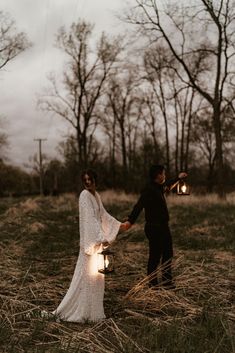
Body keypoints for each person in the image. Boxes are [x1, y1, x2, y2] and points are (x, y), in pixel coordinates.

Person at [52, 169, 127, 322]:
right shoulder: (84, 196)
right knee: (87, 278)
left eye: (90, 179)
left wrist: (119, 225)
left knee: (97, 278)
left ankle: (95, 313)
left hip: (98, 243)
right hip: (91, 243)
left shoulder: (96, 195)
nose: (87, 182)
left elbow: (103, 215)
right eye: (85, 180)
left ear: (95, 180)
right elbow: (89, 220)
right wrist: (101, 237)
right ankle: (84, 313)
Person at [125, 165, 187, 289]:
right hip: (154, 228)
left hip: (164, 227)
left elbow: (167, 185)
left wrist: (178, 178)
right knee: (155, 256)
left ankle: (166, 281)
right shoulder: (149, 190)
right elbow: (139, 206)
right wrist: (130, 221)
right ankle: (152, 284)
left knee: (168, 254)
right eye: (163, 173)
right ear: (158, 175)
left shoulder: (159, 187)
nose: (165, 175)